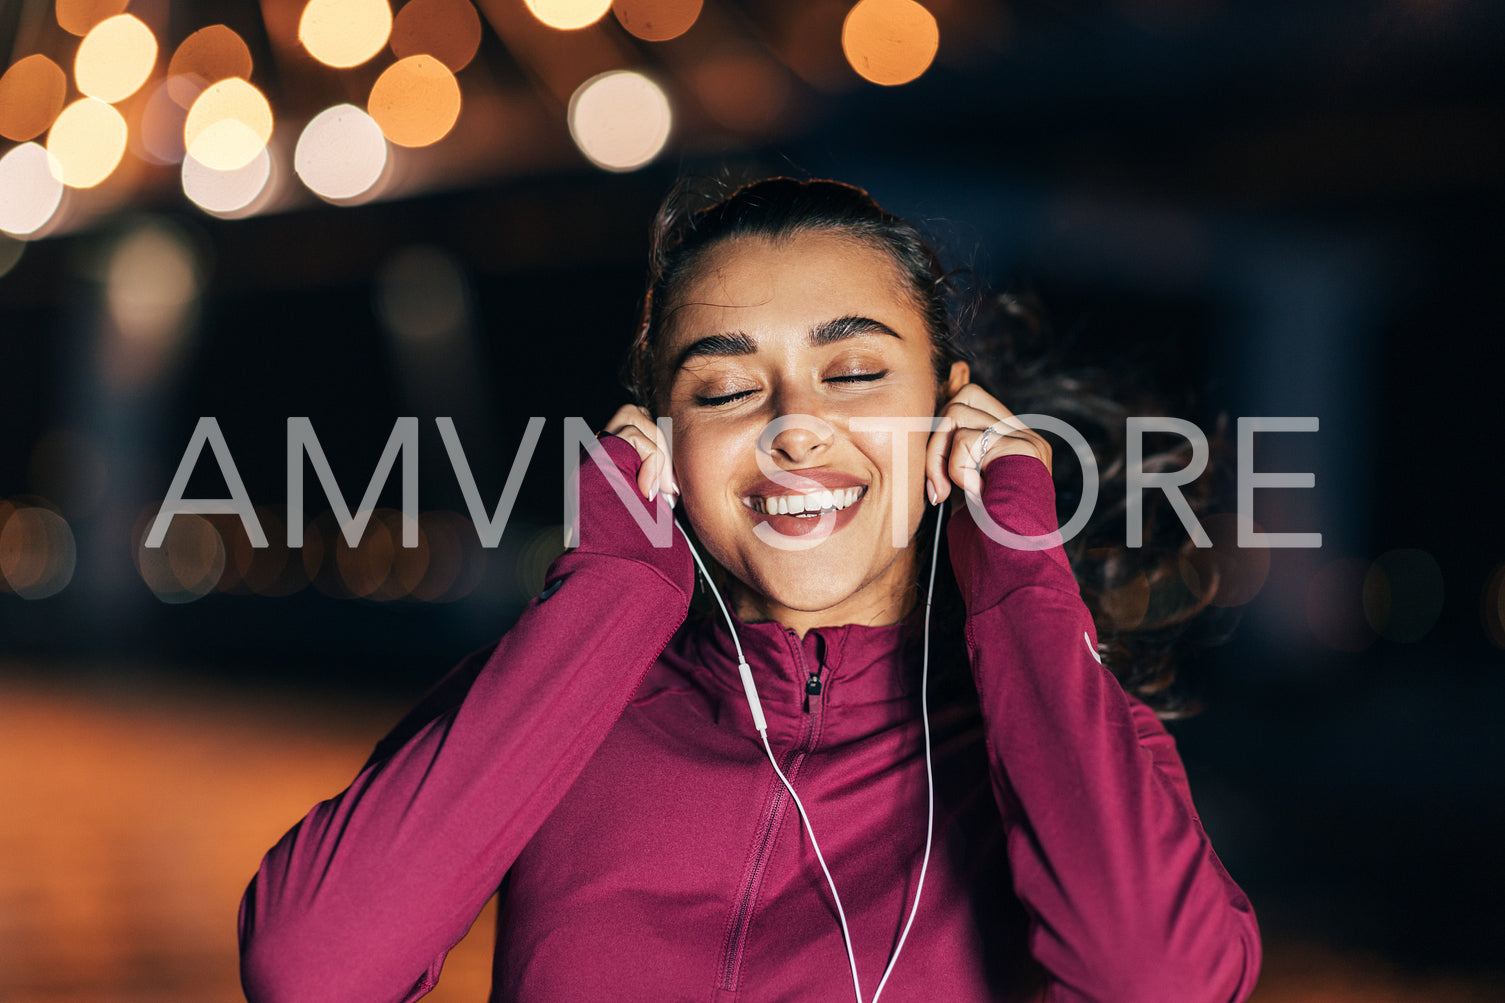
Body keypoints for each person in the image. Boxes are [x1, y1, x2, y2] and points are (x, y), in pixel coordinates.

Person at [238, 176, 1262, 1002]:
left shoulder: (1057, 736)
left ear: (949, 419)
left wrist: (1014, 567)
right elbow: (312, 968)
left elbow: (1159, 978)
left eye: (853, 371)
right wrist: (607, 594)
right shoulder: (556, 704)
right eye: (723, 389)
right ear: (661, 446)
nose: (792, 425)